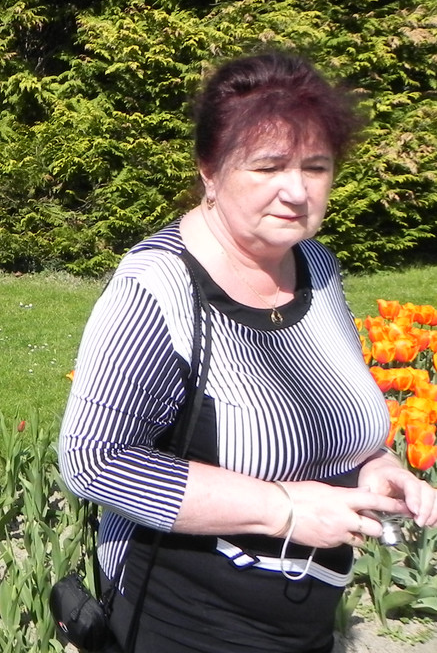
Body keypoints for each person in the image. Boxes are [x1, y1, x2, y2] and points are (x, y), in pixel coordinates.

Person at [58, 51, 437, 653]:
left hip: (305, 616)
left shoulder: (315, 265)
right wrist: (282, 510)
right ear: (210, 171)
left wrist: (377, 468)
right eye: (268, 166)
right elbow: (94, 461)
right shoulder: (159, 289)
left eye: (316, 167)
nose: (296, 191)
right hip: (187, 621)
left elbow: (324, 413)